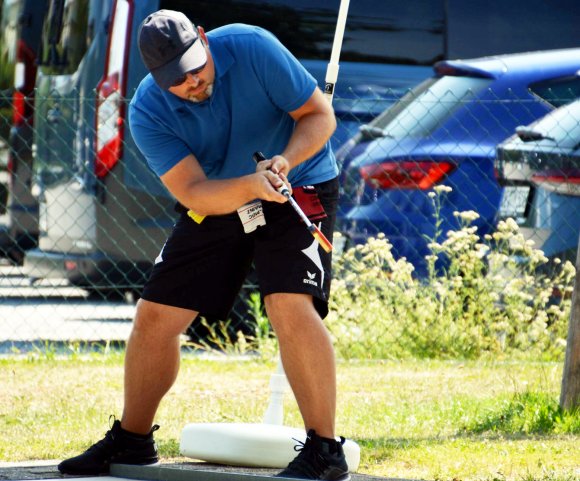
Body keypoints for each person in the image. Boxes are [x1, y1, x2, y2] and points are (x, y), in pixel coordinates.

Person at [57, 9, 349, 480]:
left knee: (289, 304)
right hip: (221, 194)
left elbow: (320, 115)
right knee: (155, 315)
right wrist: (250, 188)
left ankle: (324, 451)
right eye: (177, 79)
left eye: (196, 66)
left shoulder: (254, 46)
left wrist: (285, 161)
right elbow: (193, 192)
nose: (192, 82)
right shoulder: (148, 111)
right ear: (156, 77)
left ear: (204, 38)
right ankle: (133, 441)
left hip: (301, 180)